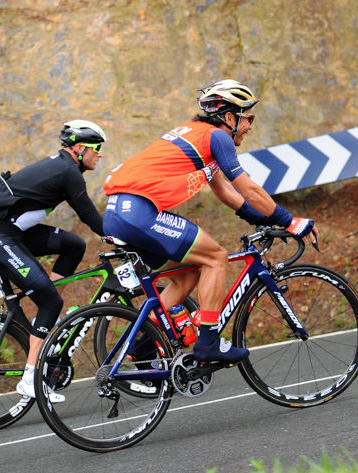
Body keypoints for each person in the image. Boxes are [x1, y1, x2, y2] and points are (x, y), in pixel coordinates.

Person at [102, 79, 318, 364]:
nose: (251, 125)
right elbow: (247, 188)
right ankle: (208, 343)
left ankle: (139, 349)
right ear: (230, 117)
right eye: (248, 117)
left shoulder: (197, 135)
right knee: (216, 257)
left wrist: (259, 219)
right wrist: (289, 221)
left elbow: (224, 191)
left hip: (116, 214)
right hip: (139, 212)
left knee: (188, 275)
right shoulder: (219, 137)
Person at [0, 120, 107, 402]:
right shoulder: (69, 172)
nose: (101, 154)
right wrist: (123, 236)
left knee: (74, 245)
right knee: (51, 303)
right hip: (0, 238)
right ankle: (31, 379)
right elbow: (90, 216)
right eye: (97, 148)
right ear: (80, 149)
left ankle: (41, 303)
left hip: (10, 232)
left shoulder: (62, 165)